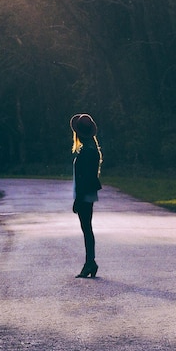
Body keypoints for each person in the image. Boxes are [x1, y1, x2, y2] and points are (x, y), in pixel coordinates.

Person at [70, 113, 102, 278]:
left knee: (87, 229)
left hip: (85, 194)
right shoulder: (90, 148)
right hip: (87, 193)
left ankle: (90, 262)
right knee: (87, 228)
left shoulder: (88, 151)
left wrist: (78, 198)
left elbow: (86, 178)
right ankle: (90, 262)